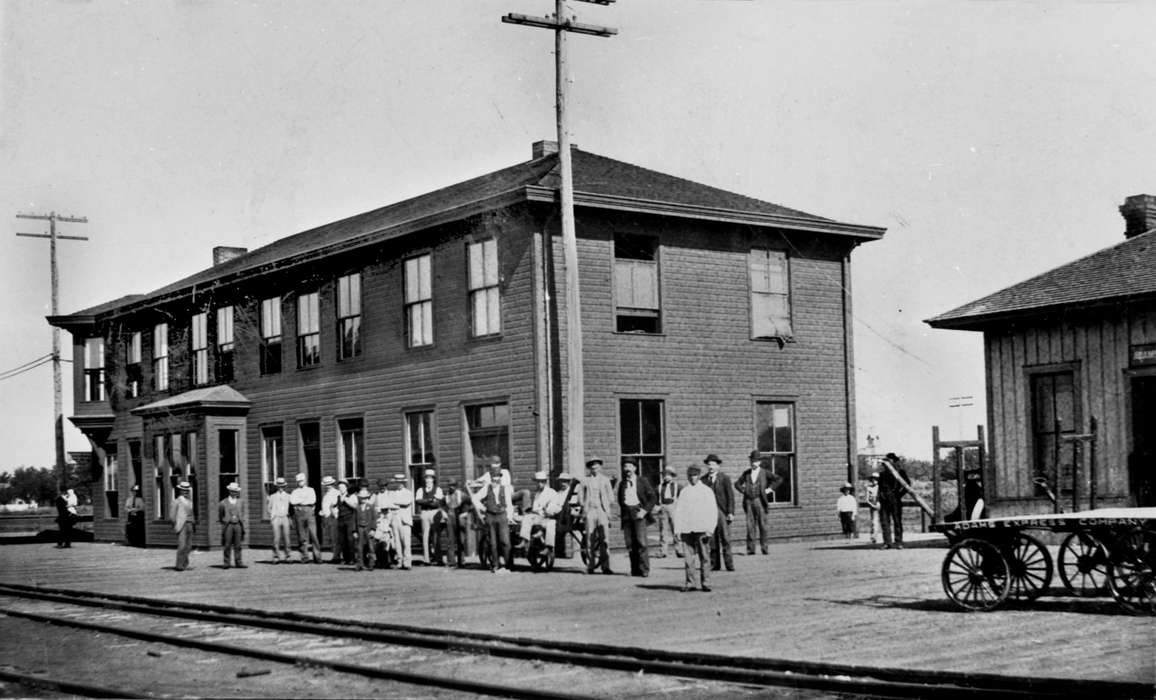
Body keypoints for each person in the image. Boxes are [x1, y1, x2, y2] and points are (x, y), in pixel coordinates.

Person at [673, 465, 717, 592]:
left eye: (695, 475)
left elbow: (712, 511)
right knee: (688, 558)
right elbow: (679, 511)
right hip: (687, 530)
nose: (692, 478)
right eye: (690, 475)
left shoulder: (706, 491)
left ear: (699, 476)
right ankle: (690, 582)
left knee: (705, 557)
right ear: (687, 476)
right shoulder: (684, 492)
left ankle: (706, 582)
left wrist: (710, 529)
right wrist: (677, 529)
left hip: (702, 529)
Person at [735, 450, 781, 555]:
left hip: (760, 501)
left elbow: (778, 479)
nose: (753, 463)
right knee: (750, 525)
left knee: (763, 525)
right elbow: (737, 484)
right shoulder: (746, 473)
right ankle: (751, 550)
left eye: (755, 461)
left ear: (759, 462)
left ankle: (764, 549)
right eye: (752, 460)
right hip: (748, 501)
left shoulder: (765, 472)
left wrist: (769, 490)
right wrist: (743, 490)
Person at [616, 459, 657, 577]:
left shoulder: (642, 481)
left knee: (641, 542)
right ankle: (634, 570)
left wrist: (644, 511)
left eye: (630, 466)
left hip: (639, 513)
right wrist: (625, 511)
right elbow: (620, 500)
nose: (627, 469)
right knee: (630, 543)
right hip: (627, 514)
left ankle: (644, 569)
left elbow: (653, 497)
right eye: (625, 466)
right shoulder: (622, 483)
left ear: (635, 468)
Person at [471, 462, 513, 573]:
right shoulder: (487, 488)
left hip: (502, 516)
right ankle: (495, 565)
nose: (496, 480)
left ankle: (508, 565)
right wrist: (483, 509)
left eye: (498, 478)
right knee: (493, 543)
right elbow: (475, 498)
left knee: (505, 541)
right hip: (490, 517)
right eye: (494, 478)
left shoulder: (505, 489)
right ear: (491, 478)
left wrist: (509, 517)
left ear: (500, 478)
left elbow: (509, 504)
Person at [579, 456, 615, 575]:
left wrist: (606, 506)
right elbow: (580, 497)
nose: (594, 467)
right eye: (592, 465)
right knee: (590, 538)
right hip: (590, 510)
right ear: (589, 467)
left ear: (600, 466)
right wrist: (585, 505)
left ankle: (606, 566)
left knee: (604, 539)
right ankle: (590, 566)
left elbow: (611, 496)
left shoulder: (605, 480)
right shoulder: (585, 480)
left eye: (596, 465)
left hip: (602, 511)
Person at [701, 455, 734, 572]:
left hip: (722, 511)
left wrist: (730, 512)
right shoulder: (703, 480)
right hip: (709, 512)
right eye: (709, 464)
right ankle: (714, 564)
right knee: (712, 539)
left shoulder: (725, 479)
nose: (711, 467)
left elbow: (730, 496)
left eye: (713, 464)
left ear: (718, 466)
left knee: (725, 538)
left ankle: (729, 564)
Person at [519, 471, 562, 551]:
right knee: (527, 517)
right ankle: (525, 540)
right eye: (538, 482)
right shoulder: (538, 494)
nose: (539, 484)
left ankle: (548, 548)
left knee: (550, 525)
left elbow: (553, 507)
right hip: (539, 516)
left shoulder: (551, 492)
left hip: (549, 516)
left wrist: (545, 510)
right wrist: (534, 511)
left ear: (545, 482)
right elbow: (535, 508)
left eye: (541, 482)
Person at [380, 474, 414, 569]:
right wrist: (395, 504)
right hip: (395, 518)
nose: (399, 484)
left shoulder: (408, 493)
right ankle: (400, 561)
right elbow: (387, 503)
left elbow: (406, 502)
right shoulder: (392, 493)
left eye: (401, 482)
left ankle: (407, 562)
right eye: (397, 482)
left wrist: (395, 503)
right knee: (397, 541)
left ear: (404, 483)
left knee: (406, 542)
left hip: (405, 520)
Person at [877, 453, 910, 550]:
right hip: (884, 500)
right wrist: (880, 497)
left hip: (895, 500)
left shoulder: (900, 473)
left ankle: (898, 542)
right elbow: (879, 487)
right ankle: (887, 543)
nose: (887, 463)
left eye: (890, 460)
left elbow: (907, 485)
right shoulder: (882, 475)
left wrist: (899, 495)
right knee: (884, 521)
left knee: (897, 521)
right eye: (886, 461)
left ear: (894, 461)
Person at [289, 473, 322, 563]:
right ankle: (304, 556)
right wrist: (303, 501)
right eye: (298, 481)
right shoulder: (295, 491)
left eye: (302, 481)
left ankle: (317, 556)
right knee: (302, 536)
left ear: (305, 480)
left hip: (309, 511)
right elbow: (292, 501)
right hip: (299, 513)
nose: (300, 482)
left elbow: (312, 500)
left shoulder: (311, 490)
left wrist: (299, 502)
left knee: (313, 534)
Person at [414, 469, 445, 565]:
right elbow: (418, 501)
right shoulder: (420, 489)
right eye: (426, 478)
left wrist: (426, 501)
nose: (428, 480)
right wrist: (430, 500)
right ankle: (426, 559)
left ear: (433, 479)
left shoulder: (438, 489)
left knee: (436, 536)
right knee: (425, 537)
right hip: (424, 513)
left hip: (435, 513)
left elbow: (437, 503)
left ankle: (438, 558)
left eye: (430, 478)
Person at [654, 466, 682, 558]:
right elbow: (654, 499)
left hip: (674, 509)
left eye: (669, 475)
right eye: (665, 475)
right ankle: (663, 551)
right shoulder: (659, 487)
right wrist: (657, 507)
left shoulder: (678, 487)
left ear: (673, 476)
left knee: (676, 530)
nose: (667, 477)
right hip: (663, 508)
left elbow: (683, 498)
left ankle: (679, 550)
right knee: (663, 531)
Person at [218, 482, 247, 568]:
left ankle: (238, 562)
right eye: (232, 491)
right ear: (229, 491)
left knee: (238, 544)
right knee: (227, 544)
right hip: (228, 525)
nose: (234, 493)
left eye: (236, 491)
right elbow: (220, 515)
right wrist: (225, 520)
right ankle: (226, 562)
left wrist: (241, 520)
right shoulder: (223, 502)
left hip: (238, 524)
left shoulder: (241, 502)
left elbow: (242, 512)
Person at [443, 479, 469, 568]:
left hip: (460, 517)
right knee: (450, 540)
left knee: (460, 540)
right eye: (450, 485)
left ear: (456, 485)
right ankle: (451, 562)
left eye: (453, 485)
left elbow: (469, 504)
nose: (451, 487)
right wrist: (443, 512)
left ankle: (462, 561)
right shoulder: (446, 495)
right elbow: (441, 505)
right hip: (450, 517)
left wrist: (465, 513)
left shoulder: (462, 494)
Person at [267, 477, 293, 563]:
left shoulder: (289, 496)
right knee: (276, 538)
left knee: (286, 537)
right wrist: (273, 516)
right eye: (279, 486)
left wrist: (290, 517)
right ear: (277, 486)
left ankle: (288, 556)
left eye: (282, 486)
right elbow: (269, 508)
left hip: (285, 517)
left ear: (285, 486)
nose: (281, 487)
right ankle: (276, 556)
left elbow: (292, 508)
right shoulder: (272, 496)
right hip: (276, 517)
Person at [353, 486, 378, 571]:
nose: (363, 500)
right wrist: (354, 531)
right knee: (359, 547)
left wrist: (373, 529)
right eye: (361, 498)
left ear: (367, 498)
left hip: (368, 527)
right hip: (359, 528)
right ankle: (360, 563)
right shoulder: (357, 508)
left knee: (370, 546)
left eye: (365, 498)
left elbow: (374, 519)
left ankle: (371, 563)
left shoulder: (370, 507)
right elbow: (354, 520)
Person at [319, 475, 343, 564]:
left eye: (329, 484)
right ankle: (335, 555)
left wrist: (334, 513)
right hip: (327, 518)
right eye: (326, 484)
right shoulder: (326, 495)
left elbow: (337, 506)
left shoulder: (336, 493)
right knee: (332, 538)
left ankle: (337, 556)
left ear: (333, 484)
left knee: (336, 538)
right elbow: (325, 507)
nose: (328, 486)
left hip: (335, 517)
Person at [173, 481, 195, 571]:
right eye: (183, 490)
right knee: (182, 545)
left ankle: (185, 564)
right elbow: (172, 516)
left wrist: (193, 522)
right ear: (180, 491)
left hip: (190, 524)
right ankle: (179, 565)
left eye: (187, 491)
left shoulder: (190, 502)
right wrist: (177, 524)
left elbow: (192, 513)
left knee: (188, 546)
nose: (185, 492)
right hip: (182, 525)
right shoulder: (176, 502)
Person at [865, 473, 881, 544]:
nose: (875, 480)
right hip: (873, 506)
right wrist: (872, 505)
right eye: (873, 479)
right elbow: (867, 499)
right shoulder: (869, 488)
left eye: (876, 479)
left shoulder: (880, 487)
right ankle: (873, 537)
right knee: (874, 522)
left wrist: (879, 503)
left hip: (880, 505)